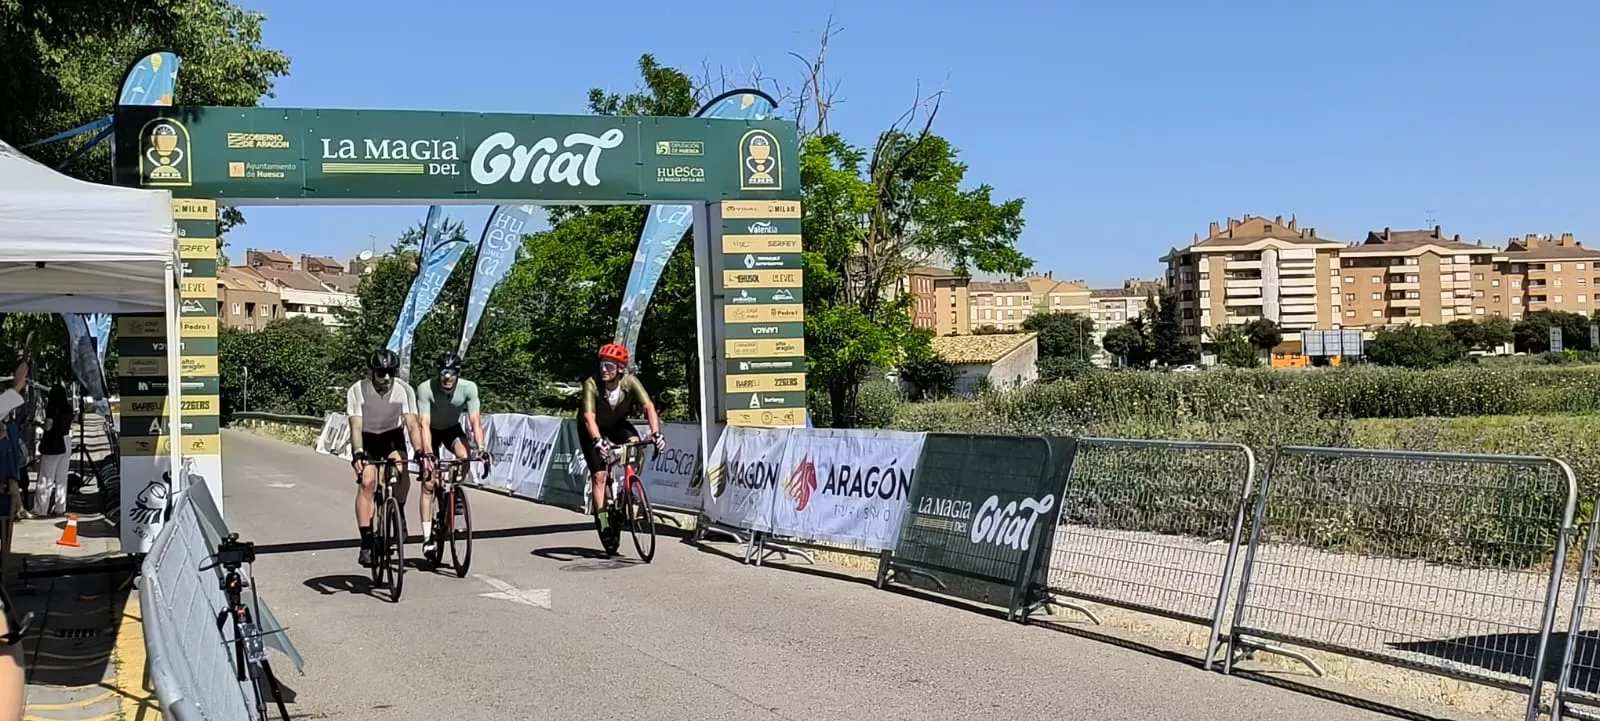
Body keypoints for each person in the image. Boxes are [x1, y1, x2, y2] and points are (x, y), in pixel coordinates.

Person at [578, 343, 665, 549]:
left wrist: (656, 433)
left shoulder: (629, 381)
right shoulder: (591, 383)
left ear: (620, 369)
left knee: (635, 442)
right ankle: (603, 522)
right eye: (602, 364)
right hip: (591, 427)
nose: (604, 369)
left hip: (616, 423)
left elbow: (648, 407)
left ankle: (627, 485)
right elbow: (589, 417)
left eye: (609, 366)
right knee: (599, 476)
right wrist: (597, 441)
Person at [345, 349, 423, 568]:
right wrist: (358, 452)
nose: (387, 378)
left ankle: (399, 510)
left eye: (391, 372)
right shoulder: (358, 390)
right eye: (381, 373)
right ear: (372, 372)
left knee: (401, 467)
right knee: (367, 482)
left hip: (391, 436)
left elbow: (412, 424)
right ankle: (366, 541)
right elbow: (355, 425)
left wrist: (419, 451)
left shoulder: (404, 390)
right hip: (367, 437)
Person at [414, 351, 487, 559]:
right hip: (431, 431)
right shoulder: (426, 388)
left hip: (451, 429)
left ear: (458, 373)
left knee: (464, 455)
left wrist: (481, 448)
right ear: (438, 373)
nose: (447, 377)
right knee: (429, 482)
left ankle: (453, 489)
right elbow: (423, 424)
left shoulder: (469, 388)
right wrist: (428, 454)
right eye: (443, 373)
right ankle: (427, 537)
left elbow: (475, 421)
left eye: (452, 373)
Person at [30, 383, 71, 518]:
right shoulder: (68, 408)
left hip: (54, 443)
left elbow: (48, 426)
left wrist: (38, 423)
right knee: (61, 477)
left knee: (46, 477)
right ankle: (60, 507)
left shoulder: (52, 407)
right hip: (66, 439)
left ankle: (40, 509)